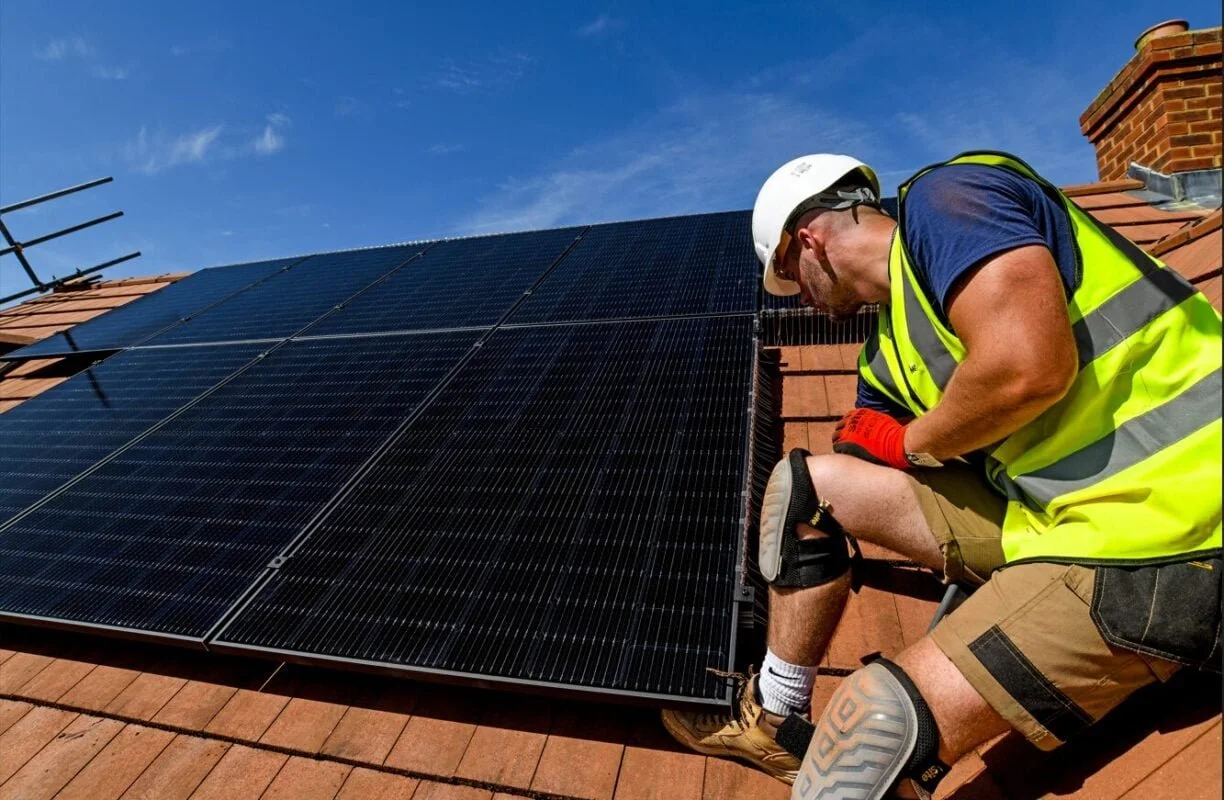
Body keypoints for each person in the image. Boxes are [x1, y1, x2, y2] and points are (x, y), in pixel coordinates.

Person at [662, 151, 1222, 799]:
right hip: (1061, 513)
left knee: (862, 738)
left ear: (807, 242)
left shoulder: (950, 198)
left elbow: (1024, 369)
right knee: (804, 485)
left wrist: (915, 439)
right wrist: (875, 444)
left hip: (1178, 529)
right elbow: (863, 453)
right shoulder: (886, 348)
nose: (805, 301)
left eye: (794, 280)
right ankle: (777, 712)